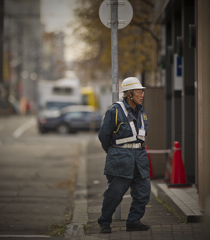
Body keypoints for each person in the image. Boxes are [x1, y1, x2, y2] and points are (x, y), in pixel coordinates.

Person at [98, 77, 151, 234]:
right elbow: (103, 135)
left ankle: (134, 222)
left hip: (139, 158)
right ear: (129, 94)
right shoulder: (114, 111)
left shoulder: (141, 111)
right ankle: (105, 222)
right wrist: (114, 151)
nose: (141, 94)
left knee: (143, 192)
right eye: (138, 91)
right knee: (114, 194)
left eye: (142, 91)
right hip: (120, 158)